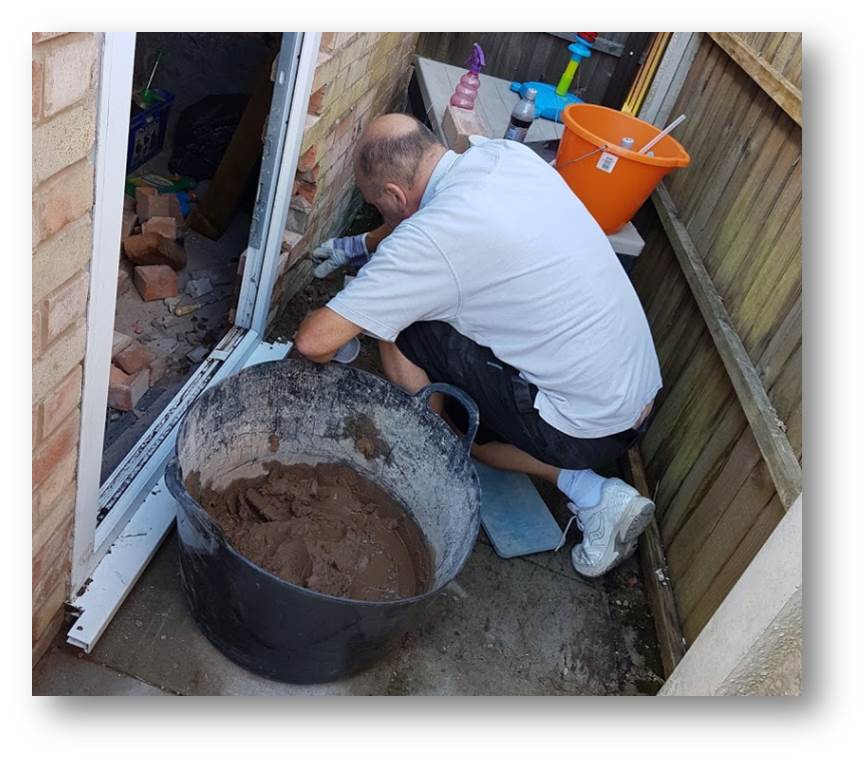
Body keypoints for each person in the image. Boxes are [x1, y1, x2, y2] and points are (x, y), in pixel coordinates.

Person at [295, 113, 662, 578]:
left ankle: (450, 453)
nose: (381, 215)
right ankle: (577, 478)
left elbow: (314, 342)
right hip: (636, 392)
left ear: (392, 196)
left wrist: (368, 298)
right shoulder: (503, 158)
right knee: (428, 305)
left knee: (406, 331)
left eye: (377, 206)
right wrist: (361, 245)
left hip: (585, 431)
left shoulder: (430, 239)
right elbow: (416, 212)